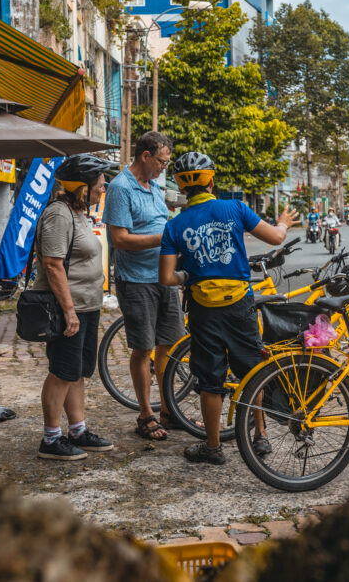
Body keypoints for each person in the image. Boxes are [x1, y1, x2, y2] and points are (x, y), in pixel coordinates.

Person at [158, 152, 299, 465]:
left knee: (209, 379)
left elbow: (167, 277)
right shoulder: (235, 207)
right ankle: (260, 435)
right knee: (253, 370)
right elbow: (276, 237)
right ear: (211, 179)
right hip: (240, 304)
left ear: (182, 186)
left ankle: (212, 447)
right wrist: (283, 223)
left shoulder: (175, 225)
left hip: (203, 309)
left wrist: (188, 274)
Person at [102, 131, 185, 441]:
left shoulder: (155, 186)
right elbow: (120, 239)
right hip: (136, 281)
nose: (164, 167)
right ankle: (145, 414)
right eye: (161, 161)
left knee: (170, 346)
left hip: (165, 277)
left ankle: (168, 410)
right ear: (145, 156)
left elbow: (162, 220)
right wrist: (162, 239)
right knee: (143, 348)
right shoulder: (121, 188)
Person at [34, 155, 114, 461]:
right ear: (82, 187)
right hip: (67, 307)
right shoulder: (58, 215)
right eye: (99, 185)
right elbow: (52, 265)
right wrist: (68, 310)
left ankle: (78, 430)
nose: (102, 190)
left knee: (78, 372)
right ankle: (50, 439)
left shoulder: (78, 213)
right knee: (62, 372)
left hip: (86, 305)